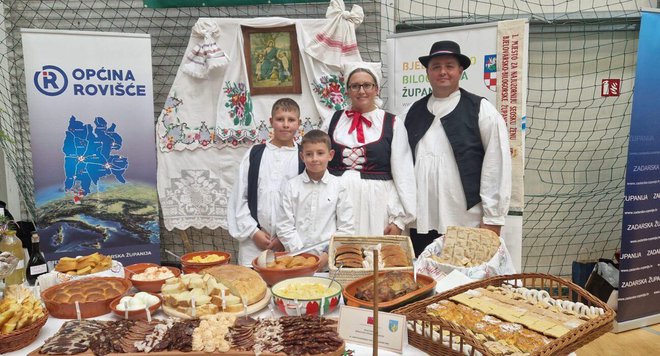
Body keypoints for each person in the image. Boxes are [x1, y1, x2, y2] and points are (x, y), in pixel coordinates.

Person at [405, 40, 511, 256]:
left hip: (465, 220)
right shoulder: (412, 112)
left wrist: (493, 218)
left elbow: (496, 165)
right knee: (424, 282)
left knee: (464, 284)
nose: (443, 72)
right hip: (421, 221)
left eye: (449, 66)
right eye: (436, 67)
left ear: (460, 70)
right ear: (427, 72)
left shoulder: (480, 109)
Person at [321, 62, 416, 236]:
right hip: (337, 203)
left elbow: (404, 174)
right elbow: (318, 166)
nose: (361, 91)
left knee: (375, 255)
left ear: (376, 89)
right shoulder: (332, 121)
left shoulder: (392, 123)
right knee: (339, 256)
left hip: (377, 206)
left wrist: (399, 220)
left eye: (367, 85)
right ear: (347, 91)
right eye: (355, 86)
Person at [227, 98, 304, 266]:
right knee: (253, 286)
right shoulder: (255, 154)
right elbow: (240, 197)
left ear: (299, 123)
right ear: (271, 121)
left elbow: (305, 203)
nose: (285, 124)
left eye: (291, 120)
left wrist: (285, 237)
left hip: (290, 243)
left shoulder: (304, 157)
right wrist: (253, 232)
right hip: (253, 243)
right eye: (279, 119)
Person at [275, 130, 354, 268]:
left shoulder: (339, 186)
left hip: (328, 262)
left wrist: (326, 254)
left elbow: (346, 228)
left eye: (320, 153)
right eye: (309, 154)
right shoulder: (291, 186)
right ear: (302, 156)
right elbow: (284, 225)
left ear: (330, 155)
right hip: (297, 262)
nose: (314, 159)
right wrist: (302, 255)